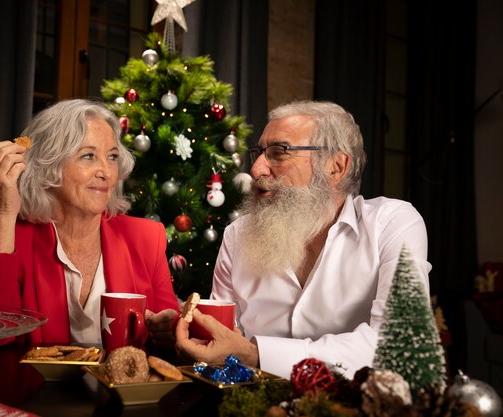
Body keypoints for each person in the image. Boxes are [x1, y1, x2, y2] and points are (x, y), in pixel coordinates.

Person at [175, 100, 431, 379]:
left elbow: (395, 346)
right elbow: (222, 339)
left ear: (336, 166)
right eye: (259, 153)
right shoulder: (237, 234)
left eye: (279, 153)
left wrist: (257, 354)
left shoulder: (393, 224)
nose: (257, 170)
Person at [0, 99, 179, 349]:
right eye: (88, 156)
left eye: (112, 157)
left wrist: (168, 330)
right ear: (48, 164)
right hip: (36, 388)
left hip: (120, 387)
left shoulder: (146, 237)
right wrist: (3, 211)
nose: (106, 172)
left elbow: (172, 332)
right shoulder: (12, 237)